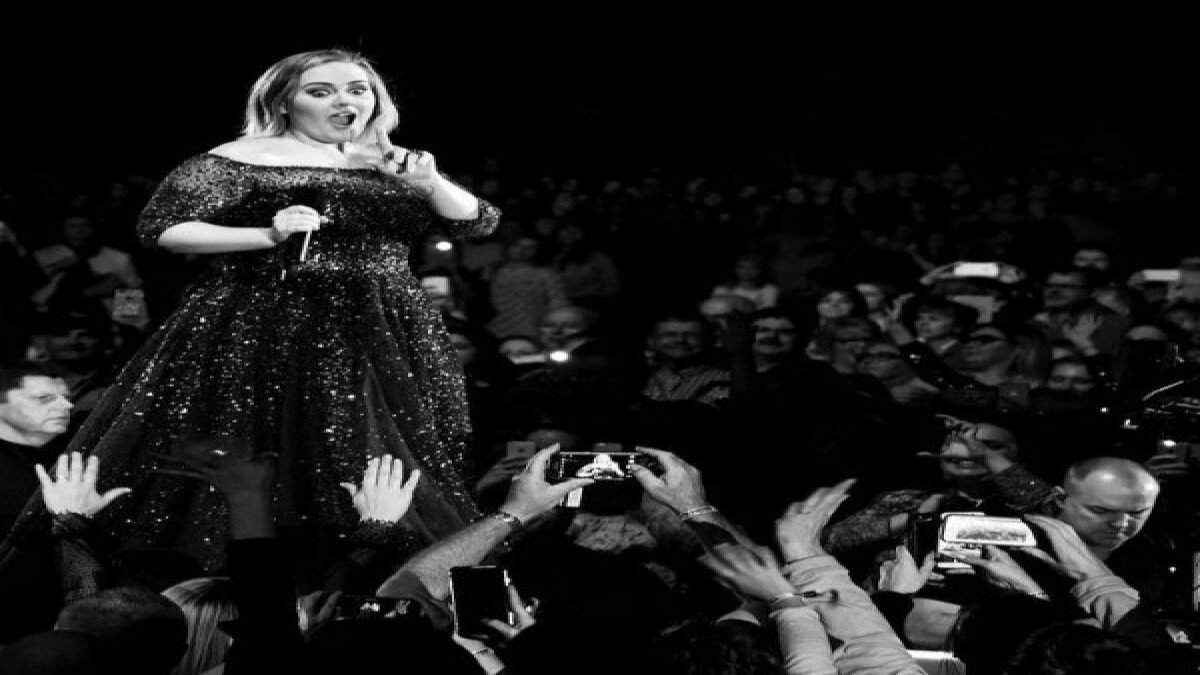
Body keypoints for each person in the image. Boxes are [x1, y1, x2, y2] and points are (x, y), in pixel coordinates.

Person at [0, 49, 501, 575]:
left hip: (385, 324)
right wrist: (266, 233)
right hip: (274, 317)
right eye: (322, 91)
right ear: (283, 102)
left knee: (393, 454)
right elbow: (163, 228)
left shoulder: (391, 161)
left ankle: (383, 568)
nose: (344, 101)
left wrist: (429, 183)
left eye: (357, 89)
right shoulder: (243, 156)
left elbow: (478, 223)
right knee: (284, 449)